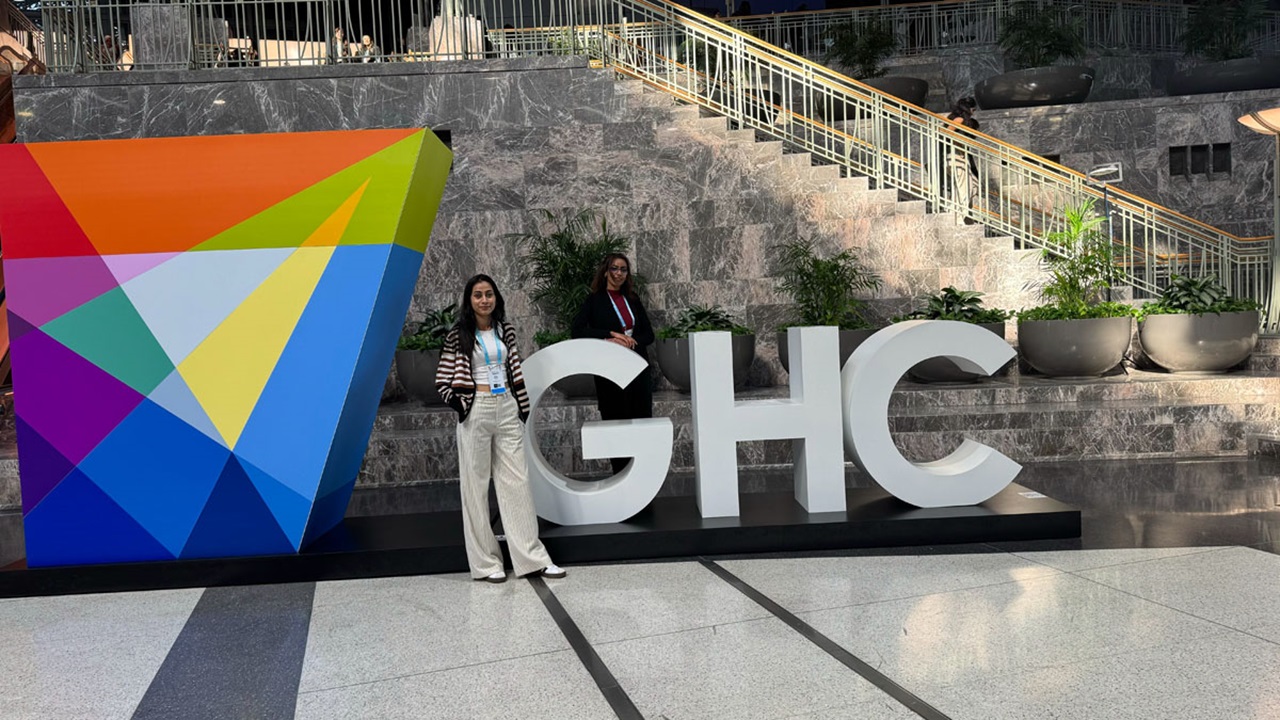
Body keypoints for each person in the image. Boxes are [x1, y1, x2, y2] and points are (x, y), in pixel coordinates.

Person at [436, 274, 565, 583]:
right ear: (469, 300)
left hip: (506, 405)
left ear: (496, 298)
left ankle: (532, 558)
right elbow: (442, 380)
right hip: (476, 408)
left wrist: (520, 406)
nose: (484, 300)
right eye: (478, 295)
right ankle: (486, 564)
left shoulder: (504, 330)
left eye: (489, 294)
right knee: (475, 487)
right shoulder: (458, 335)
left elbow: (514, 370)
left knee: (516, 482)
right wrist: (461, 405)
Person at [571, 253, 655, 475]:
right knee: (615, 419)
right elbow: (578, 331)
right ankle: (620, 473)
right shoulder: (594, 300)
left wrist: (631, 342)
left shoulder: (633, 299)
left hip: (637, 367)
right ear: (606, 271)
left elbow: (649, 334)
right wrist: (609, 336)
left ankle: (642, 473)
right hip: (610, 372)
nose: (619, 273)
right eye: (615, 268)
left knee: (641, 418)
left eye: (623, 269)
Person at [944, 97, 982, 219]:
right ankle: (958, 217)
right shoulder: (959, 119)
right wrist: (961, 143)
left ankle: (951, 212)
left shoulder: (959, 120)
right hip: (956, 158)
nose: (973, 112)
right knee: (965, 188)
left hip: (959, 158)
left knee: (969, 185)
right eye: (973, 109)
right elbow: (946, 133)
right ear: (968, 108)